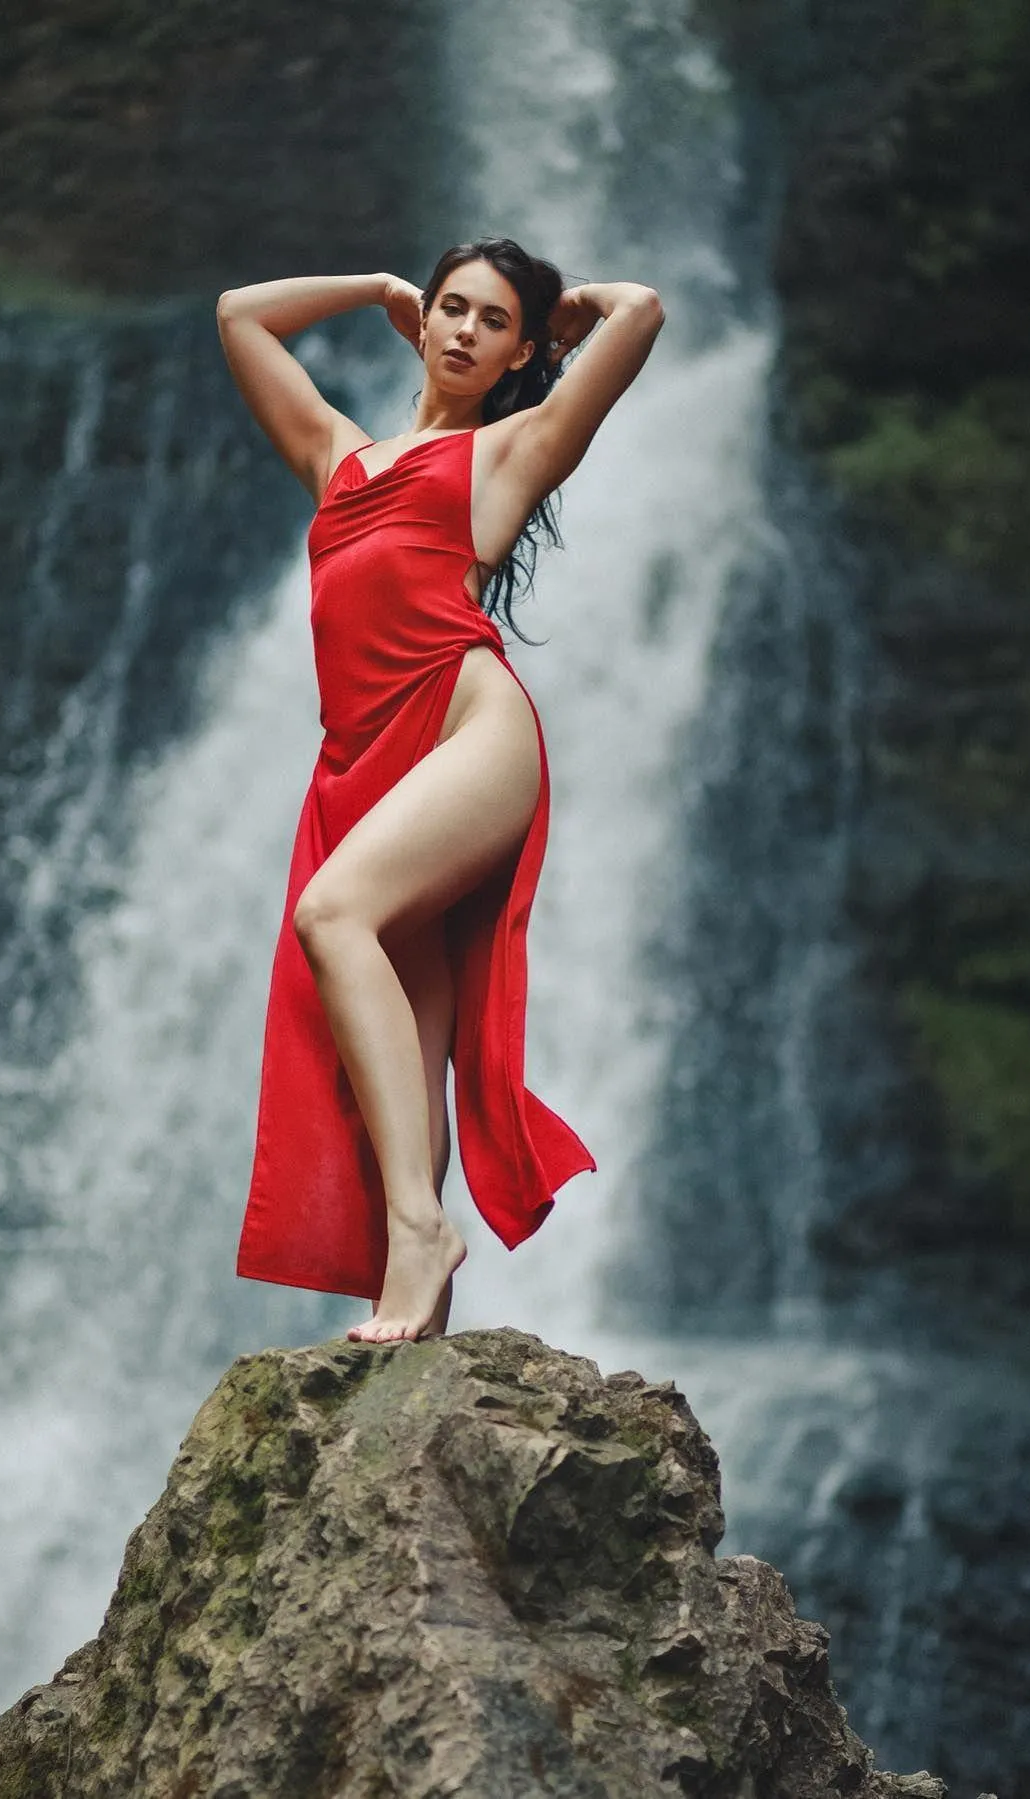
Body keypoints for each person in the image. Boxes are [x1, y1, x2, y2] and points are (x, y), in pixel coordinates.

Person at [217, 236, 664, 1344]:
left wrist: (571, 314)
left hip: (469, 730)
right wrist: (376, 286)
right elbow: (239, 315)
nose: (465, 330)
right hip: (361, 762)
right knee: (407, 1041)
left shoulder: (509, 452)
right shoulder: (339, 457)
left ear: (520, 353)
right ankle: (415, 1307)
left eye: (494, 321)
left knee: (334, 915)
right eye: (453, 307)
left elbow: (643, 311)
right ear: (424, 321)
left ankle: (423, 1231)